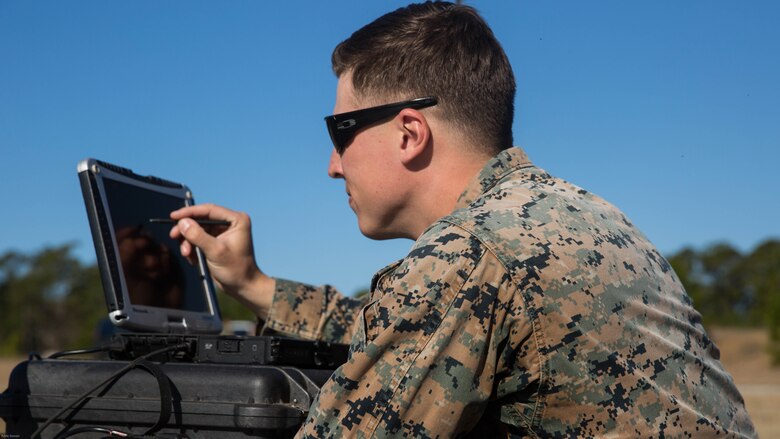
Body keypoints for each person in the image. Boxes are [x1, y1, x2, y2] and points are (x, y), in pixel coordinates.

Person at [170, 2, 756, 437]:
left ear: (409, 132)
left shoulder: (472, 252)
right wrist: (253, 285)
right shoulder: (577, 214)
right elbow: (401, 331)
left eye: (340, 132)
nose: (331, 166)